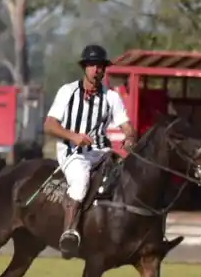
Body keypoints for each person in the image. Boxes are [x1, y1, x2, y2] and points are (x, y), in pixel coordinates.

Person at [43, 44, 133, 258]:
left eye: (100, 66)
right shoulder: (67, 92)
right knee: (82, 179)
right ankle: (69, 232)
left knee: (126, 178)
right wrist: (74, 136)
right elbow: (49, 125)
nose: (96, 70)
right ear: (85, 67)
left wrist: (129, 137)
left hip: (101, 151)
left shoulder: (111, 97)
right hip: (72, 152)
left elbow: (126, 125)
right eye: (92, 65)